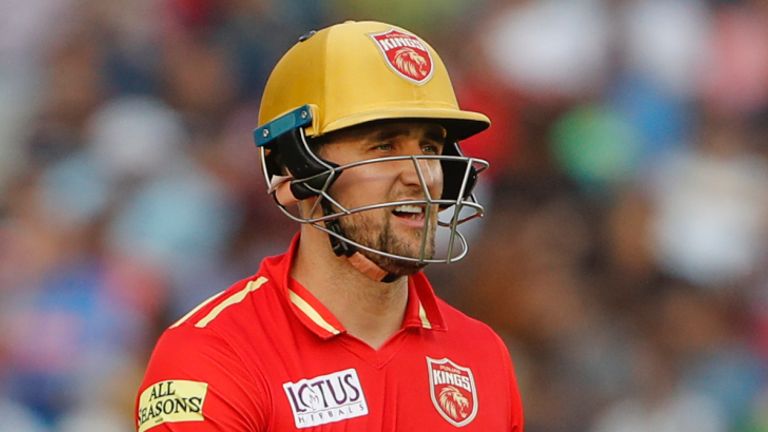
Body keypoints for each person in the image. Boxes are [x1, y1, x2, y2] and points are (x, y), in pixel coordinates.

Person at [135, 20, 524, 431]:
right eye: (384, 146)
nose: (422, 176)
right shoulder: (214, 353)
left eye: (429, 147)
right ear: (293, 175)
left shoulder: (483, 355)